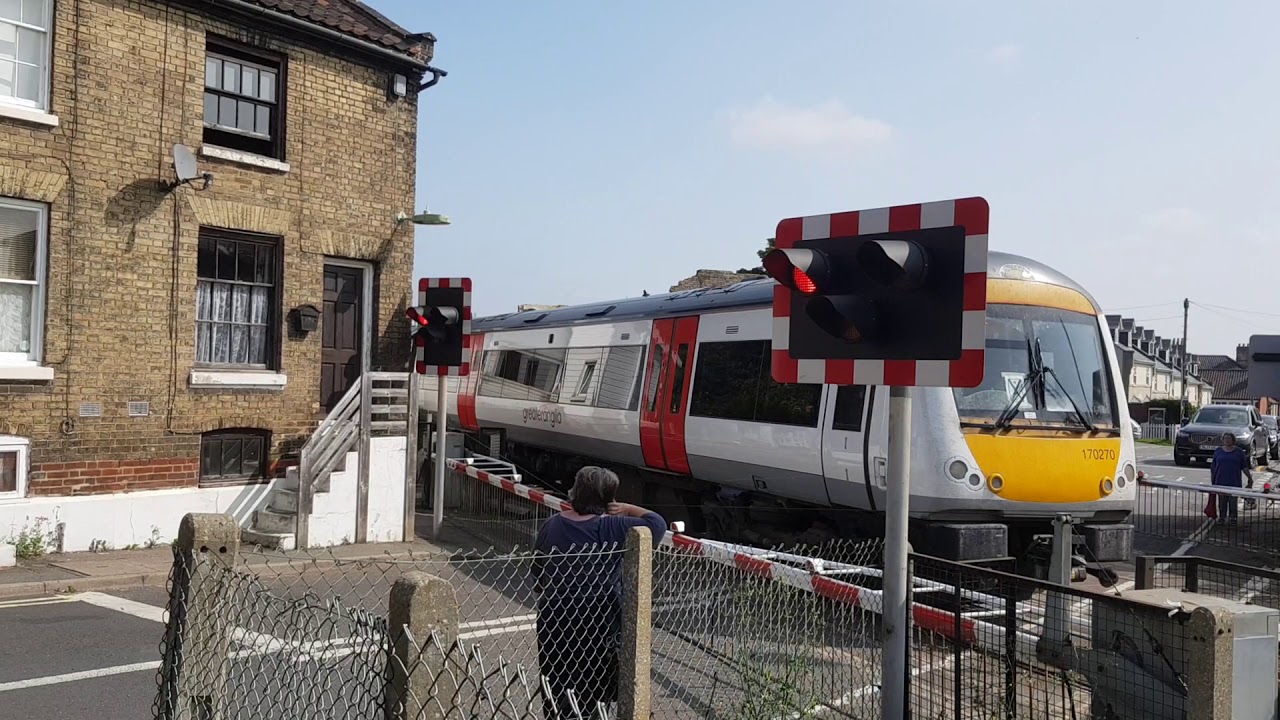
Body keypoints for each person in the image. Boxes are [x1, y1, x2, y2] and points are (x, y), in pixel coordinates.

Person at [532, 466, 667, 718]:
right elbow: (657, 525)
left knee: (555, 683)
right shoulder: (611, 527)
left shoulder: (551, 525)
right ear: (608, 499)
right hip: (597, 622)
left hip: (554, 619)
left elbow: (538, 575)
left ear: (575, 492)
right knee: (592, 689)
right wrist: (628, 508)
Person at [1210, 432, 1253, 524]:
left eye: (1229, 438)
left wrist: (1249, 478)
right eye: (1225, 438)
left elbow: (1244, 466)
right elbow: (1213, 467)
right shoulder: (1218, 451)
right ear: (1222, 440)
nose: (1227, 440)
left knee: (1233, 501)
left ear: (1233, 440)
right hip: (1220, 480)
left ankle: (1233, 518)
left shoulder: (1239, 452)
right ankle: (1222, 517)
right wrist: (1213, 480)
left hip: (1234, 480)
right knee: (1222, 501)